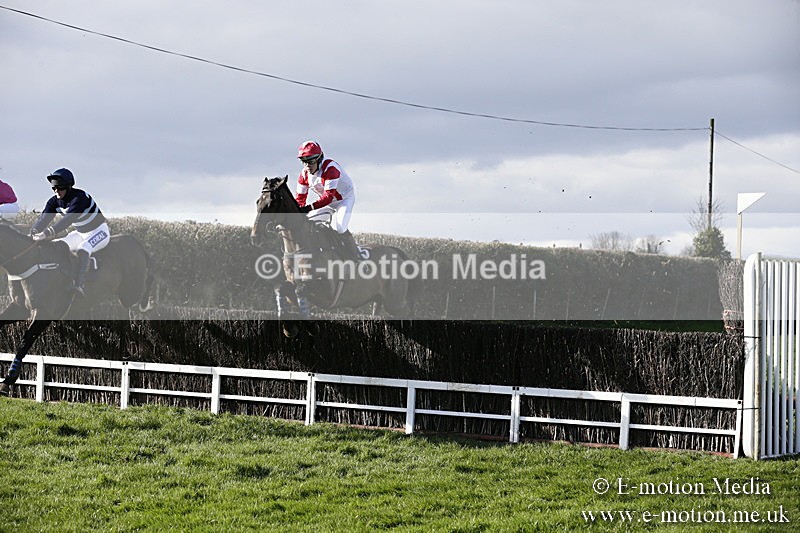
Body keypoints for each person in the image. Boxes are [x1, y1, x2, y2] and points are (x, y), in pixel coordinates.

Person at [30, 168, 110, 297]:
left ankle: (79, 285)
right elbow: (43, 219)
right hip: (80, 233)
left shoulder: (79, 198)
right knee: (57, 245)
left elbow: (68, 220)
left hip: (99, 231)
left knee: (83, 249)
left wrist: (46, 233)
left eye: (60, 188)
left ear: (68, 186)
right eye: (54, 188)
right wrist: (32, 233)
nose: (56, 191)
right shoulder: (53, 201)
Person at [294, 140, 360, 259]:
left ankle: (357, 257)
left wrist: (309, 208)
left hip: (344, 200)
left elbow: (328, 197)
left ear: (319, 159)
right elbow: (300, 199)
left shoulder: (330, 168)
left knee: (340, 227)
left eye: (310, 161)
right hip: (326, 203)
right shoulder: (304, 174)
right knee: (307, 224)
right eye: (304, 162)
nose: (307, 166)